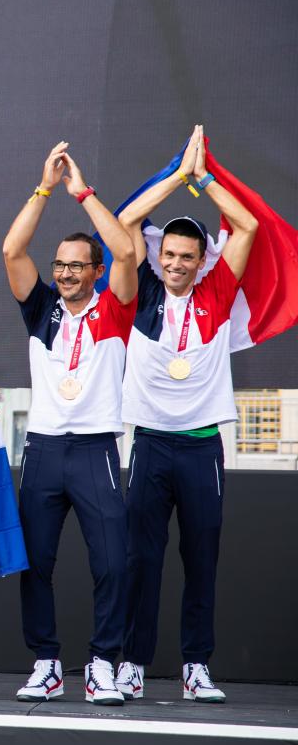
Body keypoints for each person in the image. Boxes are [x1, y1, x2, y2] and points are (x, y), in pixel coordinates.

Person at [114, 125, 258, 704]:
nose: (175, 263)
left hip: (202, 446)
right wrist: (176, 177)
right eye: (168, 254)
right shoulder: (141, 292)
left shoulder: (218, 294)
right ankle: (133, 665)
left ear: (202, 260)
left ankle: (197, 666)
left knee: (201, 560)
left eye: (186, 256)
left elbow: (245, 224)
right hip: (149, 443)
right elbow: (125, 223)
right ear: (159, 256)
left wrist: (204, 182)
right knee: (141, 561)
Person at [1, 143, 137, 705]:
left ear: (95, 272)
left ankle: (103, 662)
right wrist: (43, 188)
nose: (63, 273)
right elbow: (12, 249)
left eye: (76, 265)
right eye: (59, 266)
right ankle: (47, 663)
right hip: (44, 449)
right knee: (37, 563)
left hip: (96, 449)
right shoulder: (42, 310)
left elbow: (127, 253)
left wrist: (81, 192)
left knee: (112, 561)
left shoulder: (115, 307)